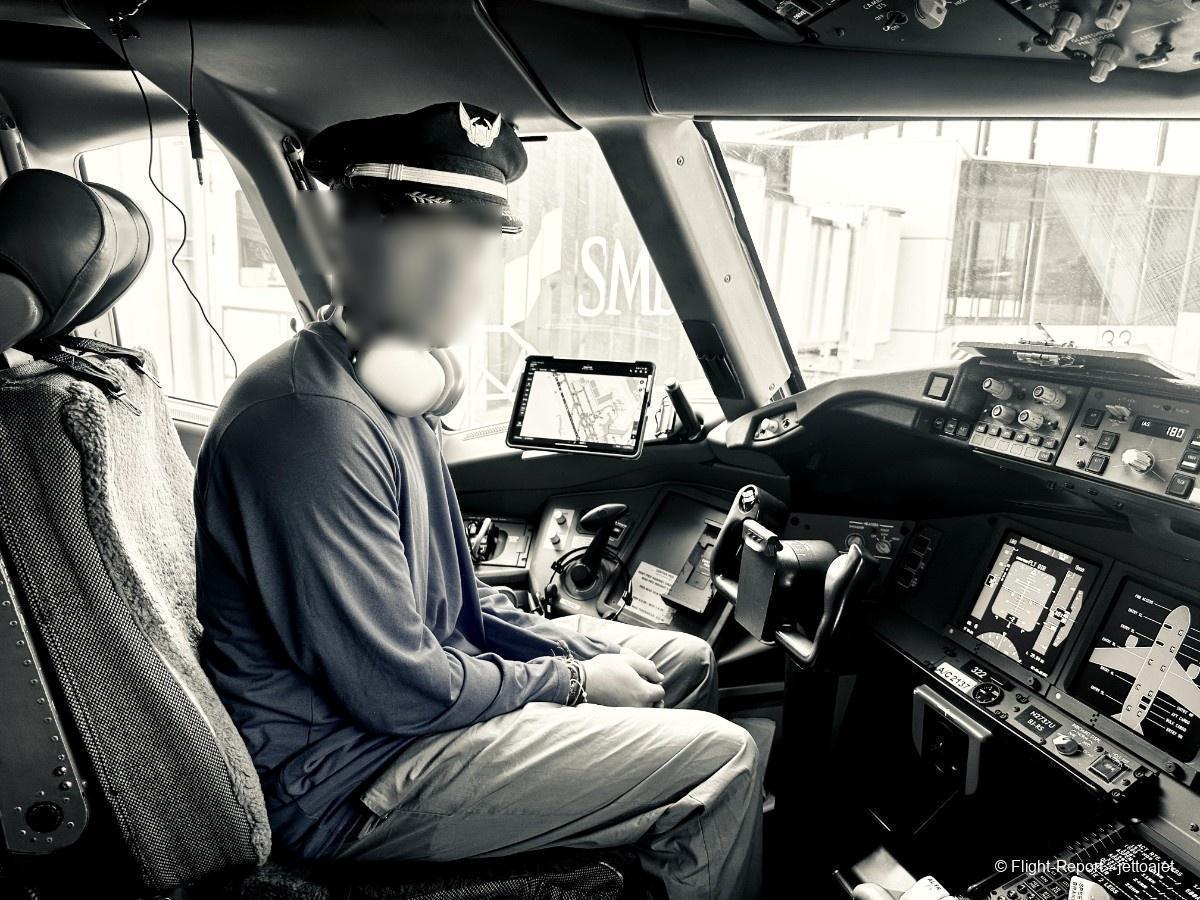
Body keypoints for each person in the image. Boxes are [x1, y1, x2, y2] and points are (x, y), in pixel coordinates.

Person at [194, 101, 766, 900]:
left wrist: (569, 652)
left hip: (401, 718)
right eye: (430, 244)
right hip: (348, 775)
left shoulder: (395, 386)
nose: (463, 275)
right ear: (351, 242)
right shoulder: (308, 424)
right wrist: (573, 682)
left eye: (478, 244)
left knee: (683, 659)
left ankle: (637, 859)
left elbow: (452, 610)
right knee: (722, 757)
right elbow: (393, 688)